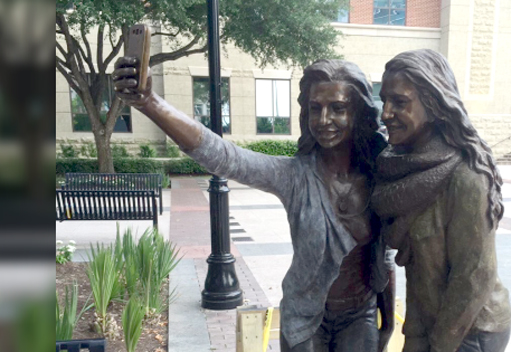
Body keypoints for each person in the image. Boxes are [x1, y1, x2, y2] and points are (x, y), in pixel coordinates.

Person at [113, 58, 395, 352]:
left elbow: (383, 255)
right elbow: (225, 156)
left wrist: (387, 321)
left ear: (358, 112)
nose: (324, 119)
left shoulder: (379, 172)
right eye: (315, 108)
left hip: (359, 313)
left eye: (338, 108)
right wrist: (149, 102)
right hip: (306, 318)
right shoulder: (293, 176)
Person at [370, 49, 511, 352]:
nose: (385, 113)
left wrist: (440, 346)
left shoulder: (467, 174)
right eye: (384, 100)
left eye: (400, 102)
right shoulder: (402, 167)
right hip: (427, 318)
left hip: (469, 329)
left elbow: (474, 276)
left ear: (433, 103)